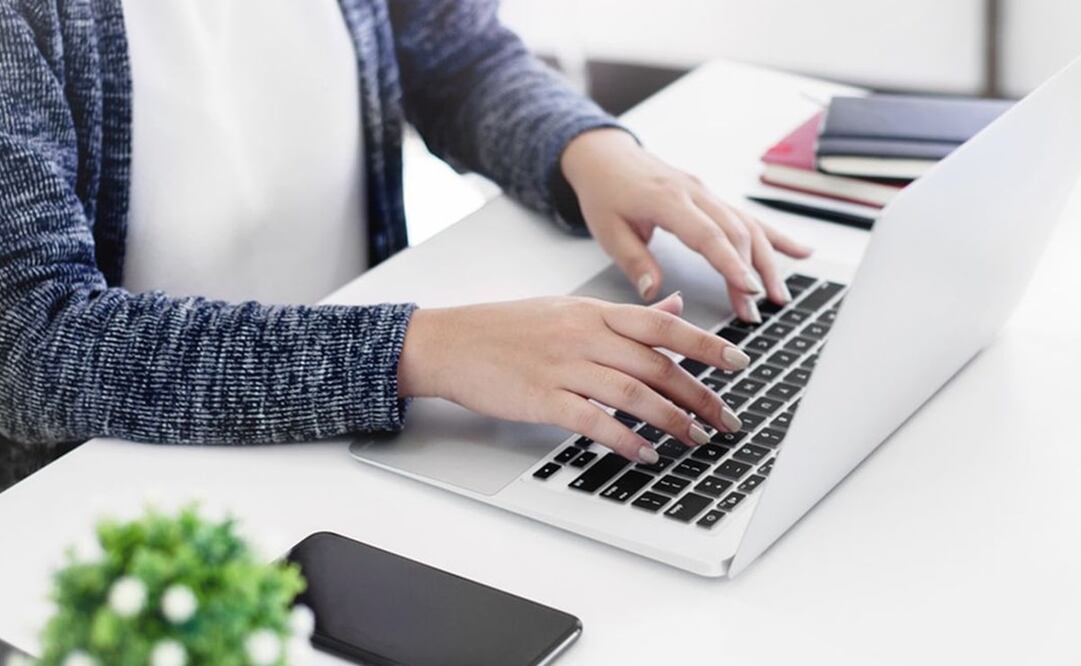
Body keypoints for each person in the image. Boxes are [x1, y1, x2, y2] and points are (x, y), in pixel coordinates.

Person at [0, 0, 810, 466]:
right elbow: (28, 343)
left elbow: (455, 58)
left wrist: (587, 151)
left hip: (368, 437)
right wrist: (420, 350)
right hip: (127, 500)